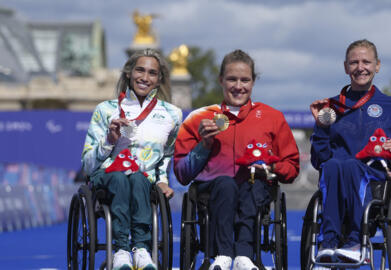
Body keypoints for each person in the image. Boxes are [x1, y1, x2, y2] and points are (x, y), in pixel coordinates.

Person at [174, 49, 300, 270]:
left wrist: (269, 168)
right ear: (221, 80)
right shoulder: (199, 118)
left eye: (245, 80)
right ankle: (223, 255)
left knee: (253, 183)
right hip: (213, 191)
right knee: (225, 183)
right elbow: (182, 174)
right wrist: (203, 145)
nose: (238, 86)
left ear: (253, 82)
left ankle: (243, 255)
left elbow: (292, 168)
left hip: (255, 188)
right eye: (232, 79)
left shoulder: (272, 118)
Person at [309, 39, 391, 264]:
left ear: (377, 65)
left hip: (378, 183)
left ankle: (355, 241)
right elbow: (319, 160)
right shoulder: (330, 108)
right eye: (354, 62)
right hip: (336, 181)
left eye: (366, 61)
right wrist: (322, 127)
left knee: (353, 165)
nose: (360, 67)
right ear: (345, 67)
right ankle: (328, 243)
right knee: (332, 165)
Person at [81, 48, 182, 270]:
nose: (145, 78)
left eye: (152, 73)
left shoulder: (172, 114)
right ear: (128, 73)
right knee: (119, 178)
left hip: (144, 178)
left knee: (137, 179)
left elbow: (166, 155)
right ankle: (121, 250)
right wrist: (109, 139)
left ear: (159, 79)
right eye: (140, 70)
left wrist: (163, 179)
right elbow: (87, 165)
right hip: (107, 176)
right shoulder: (105, 110)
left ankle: (141, 249)